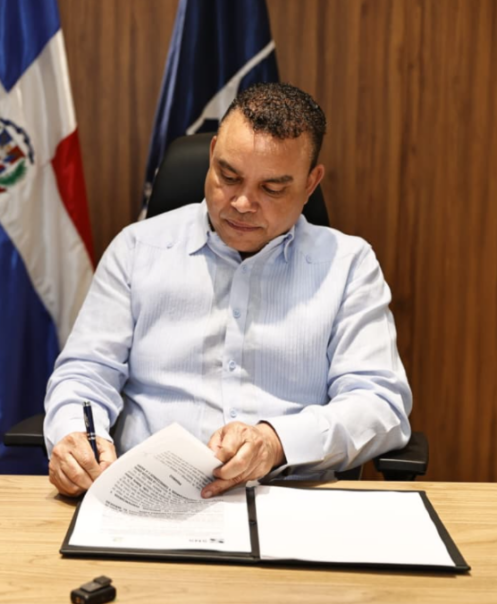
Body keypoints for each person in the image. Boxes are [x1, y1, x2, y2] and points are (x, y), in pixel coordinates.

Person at [44, 82, 412, 499]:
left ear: (310, 184)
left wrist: (276, 442)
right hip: (147, 501)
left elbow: (380, 404)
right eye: (228, 176)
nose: (241, 203)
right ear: (213, 151)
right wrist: (75, 435)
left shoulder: (348, 266)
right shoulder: (137, 249)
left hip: (290, 501)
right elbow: (85, 374)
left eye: (271, 189)